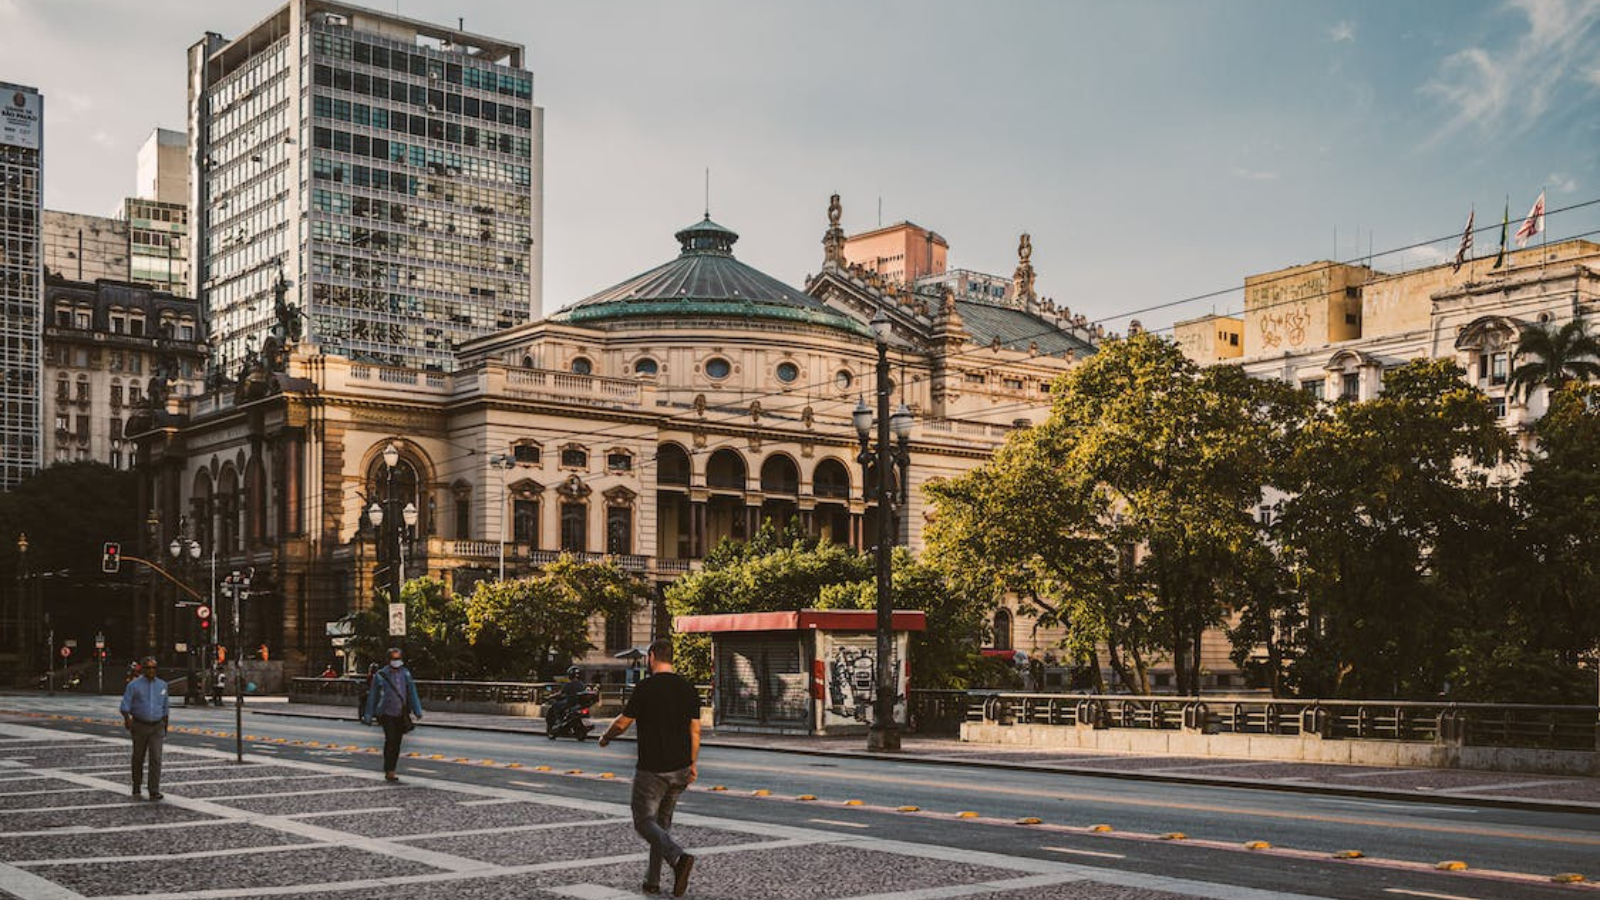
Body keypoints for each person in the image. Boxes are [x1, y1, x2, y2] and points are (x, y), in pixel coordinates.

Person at [598, 639, 700, 897]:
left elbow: (623, 723)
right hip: (680, 769)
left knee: (644, 823)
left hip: (652, 769)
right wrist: (692, 763)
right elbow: (695, 730)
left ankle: (679, 858)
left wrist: (606, 737)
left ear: (652, 657)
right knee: (660, 828)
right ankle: (652, 881)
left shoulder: (646, 687)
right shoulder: (688, 688)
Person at [362, 647, 422, 782]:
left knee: (397, 743)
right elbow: (373, 696)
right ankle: (388, 770)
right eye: (394, 659)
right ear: (389, 660)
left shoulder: (405, 674)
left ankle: (392, 769)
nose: (397, 661)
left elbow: (412, 692)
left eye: (399, 658)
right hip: (386, 713)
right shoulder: (381, 675)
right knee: (390, 740)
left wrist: (417, 710)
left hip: (401, 713)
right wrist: (368, 715)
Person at [119, 657, 169, 801]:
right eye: (148, 668)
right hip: (140, 725)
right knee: (138, 757)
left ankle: (154, 789)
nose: (151, 671)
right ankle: (136, 785)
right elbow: (125, 706)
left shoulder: (163, 685)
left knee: (156, 758)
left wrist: (165, 725)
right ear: (143, 669)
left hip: (157, 726)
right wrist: (127, 719)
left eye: (154, 668)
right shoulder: (134, 685)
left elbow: (165, 707)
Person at [545, 665, 586, 734]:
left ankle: (559, 720)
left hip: (569, 703)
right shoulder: (582, 684)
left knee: (555, 706)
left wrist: (550, 696)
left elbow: (560, 693)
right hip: (578, 704)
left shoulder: (568, 684)